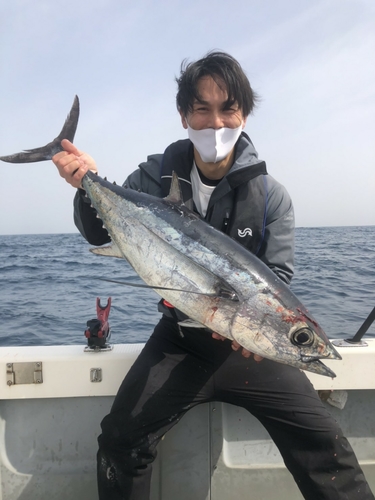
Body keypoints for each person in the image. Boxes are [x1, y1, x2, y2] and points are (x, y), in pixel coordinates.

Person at [53, 51, 374, 500]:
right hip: (178, 341)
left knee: (326, 450)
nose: (215, 122)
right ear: (184, 114)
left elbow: (276, 276)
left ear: (244, 113)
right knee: (120, 443)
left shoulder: (271, 198)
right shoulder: (150, 177)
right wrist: (84, 187)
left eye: (228, 108)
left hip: (253, 351)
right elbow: (97, 229)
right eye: (201, 108)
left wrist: (265, 335)